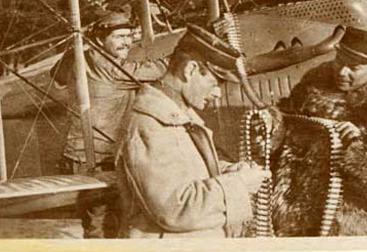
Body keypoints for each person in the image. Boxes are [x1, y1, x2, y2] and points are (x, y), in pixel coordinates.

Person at [115, 23, 270, 238]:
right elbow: (176, 209)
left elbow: (185, 170)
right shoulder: (149, 125)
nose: (217, 93)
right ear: (190, 70)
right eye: (216, 83)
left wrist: (228, 171)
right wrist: (240, 184)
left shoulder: (175, 116)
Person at [271, 26, 367, 236]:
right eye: (339, 61)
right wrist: (271, 129)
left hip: (346, 227)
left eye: (354, 68)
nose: (342, 72)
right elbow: (280, 145)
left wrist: (361, 149)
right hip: (291, 215)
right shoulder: (309, 88)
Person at [51, 10, 168, 238]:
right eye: (119, 37)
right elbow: (161, 69)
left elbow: (56, 75)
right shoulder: (112, 68)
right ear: (99, 39)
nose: (127, 43)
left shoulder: (76, 57)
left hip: (75, 154)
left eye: (129, 36)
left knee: (101, 225)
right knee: (105, 226)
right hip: (97, 159)